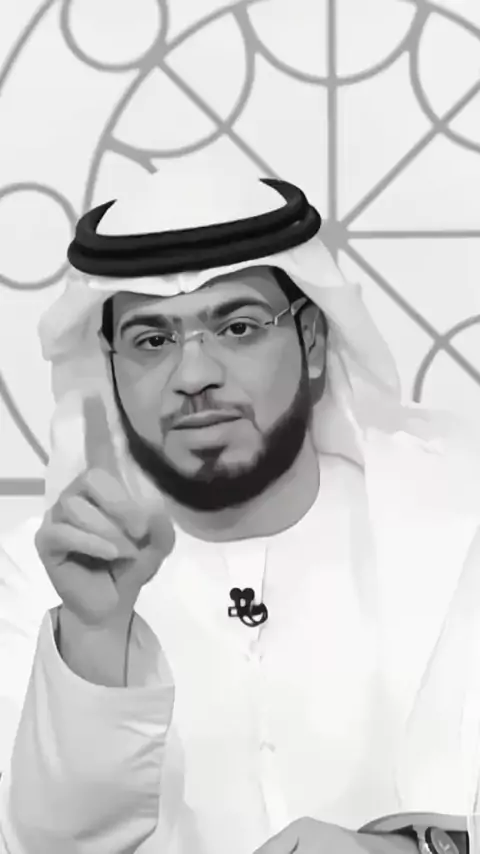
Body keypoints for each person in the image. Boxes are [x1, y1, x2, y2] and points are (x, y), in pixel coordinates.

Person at [0, 167, 479, 854]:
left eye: (239, 327)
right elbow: (43, 846)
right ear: (110, 368)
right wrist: (94, 636)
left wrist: (411, 850)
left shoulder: (458, 528)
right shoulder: (40, 574)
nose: (195, 376)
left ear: (311, 342)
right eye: (152, 340)